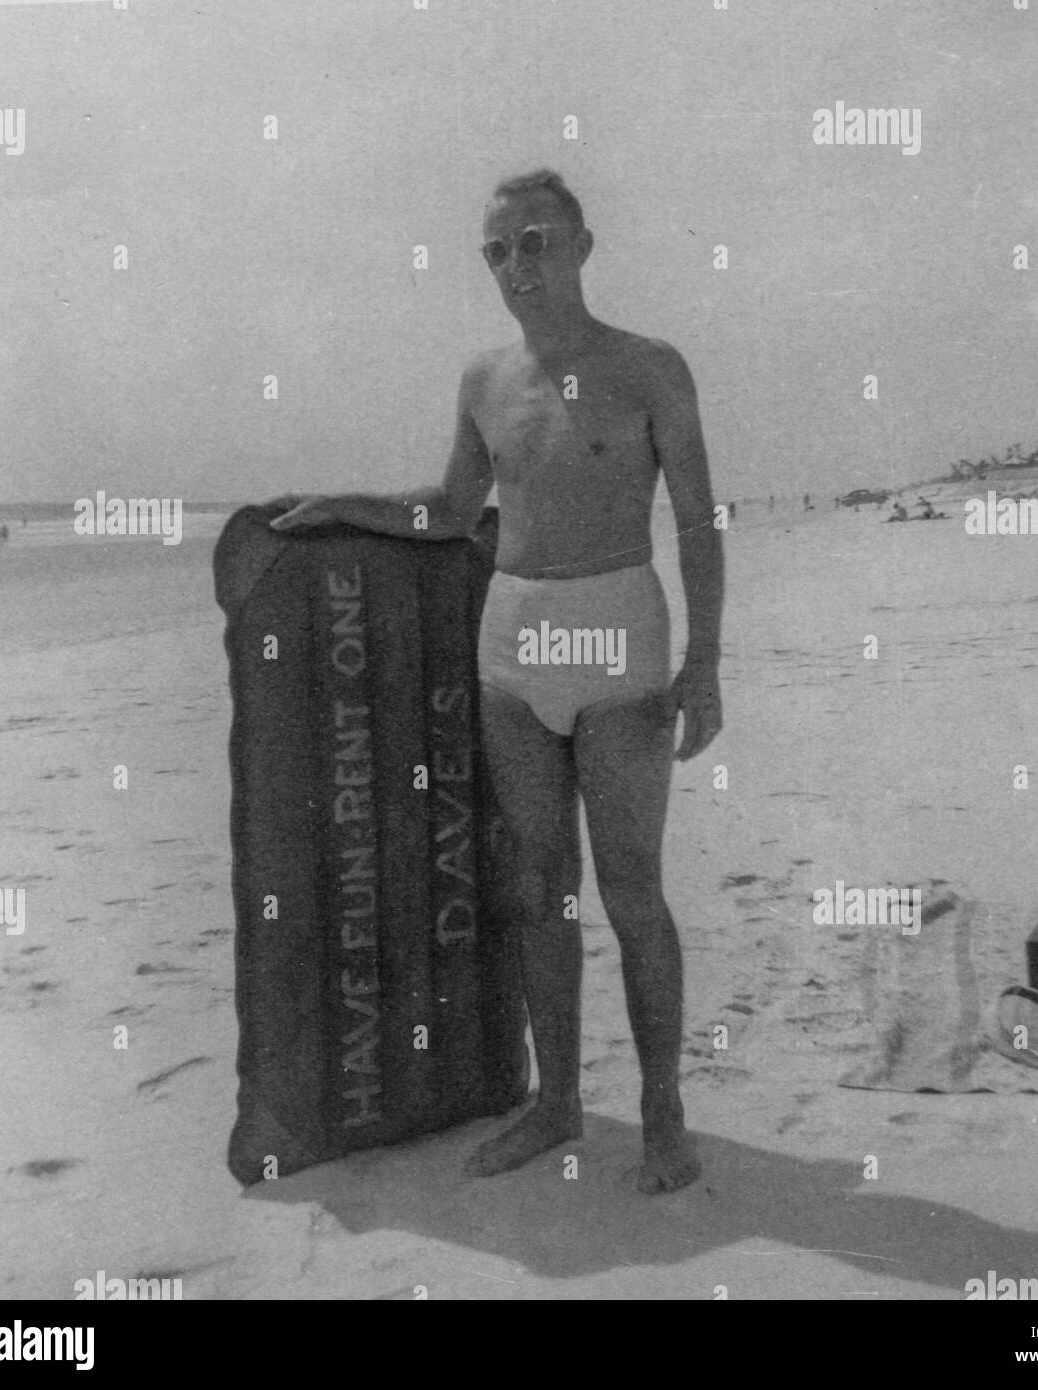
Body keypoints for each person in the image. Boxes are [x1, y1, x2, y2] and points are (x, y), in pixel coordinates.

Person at [271, 170, 722, 1194]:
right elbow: (449, 508)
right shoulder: (484, 380)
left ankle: (662, 1114)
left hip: (617, 640)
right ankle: (557, 1102)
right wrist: (341, 505)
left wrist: (708, 661)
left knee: (633, 889)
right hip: (514, 643)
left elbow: (697, 521)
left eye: (534, 242)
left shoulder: (651, 367)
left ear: (583, 245)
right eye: (498, 251)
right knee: (537, 887)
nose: (516, 266)